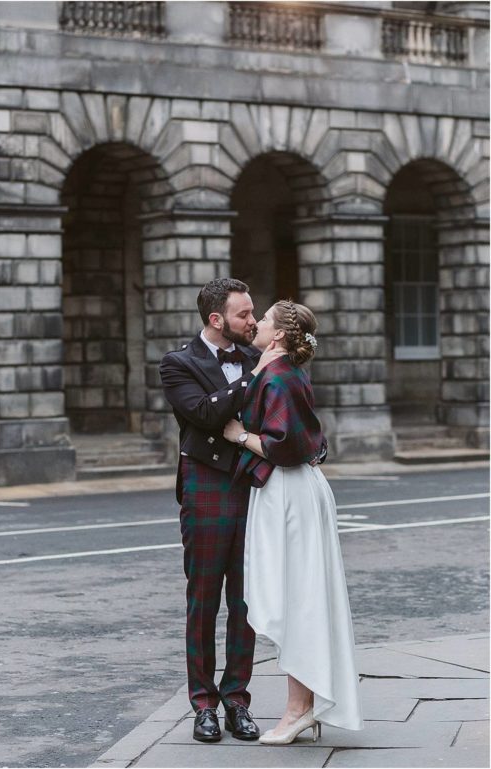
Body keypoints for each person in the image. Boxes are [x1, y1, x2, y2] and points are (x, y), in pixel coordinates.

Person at [223, 300, 363, 744]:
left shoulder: (280, 375)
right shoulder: (281, 370)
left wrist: (240, 436)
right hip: (291, 489)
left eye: (264, 320)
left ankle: (299, 709)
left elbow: (284, 447)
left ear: (280, 334)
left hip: (288, 490)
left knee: (298, 597)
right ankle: (303, 705)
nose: (257, 324)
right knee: (299, 596)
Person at [159, 277, 284, 743]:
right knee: (204, 599)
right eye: (243, 314)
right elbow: (206, 414)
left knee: (245, 602)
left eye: (253, 312)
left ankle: (237, 700)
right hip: (205, 485)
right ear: (217, 319)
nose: (252, 321)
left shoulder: (255, 356)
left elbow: (283, 411)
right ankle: (204, 705)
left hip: (254, 487)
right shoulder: (179, 364)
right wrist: (255, 377)